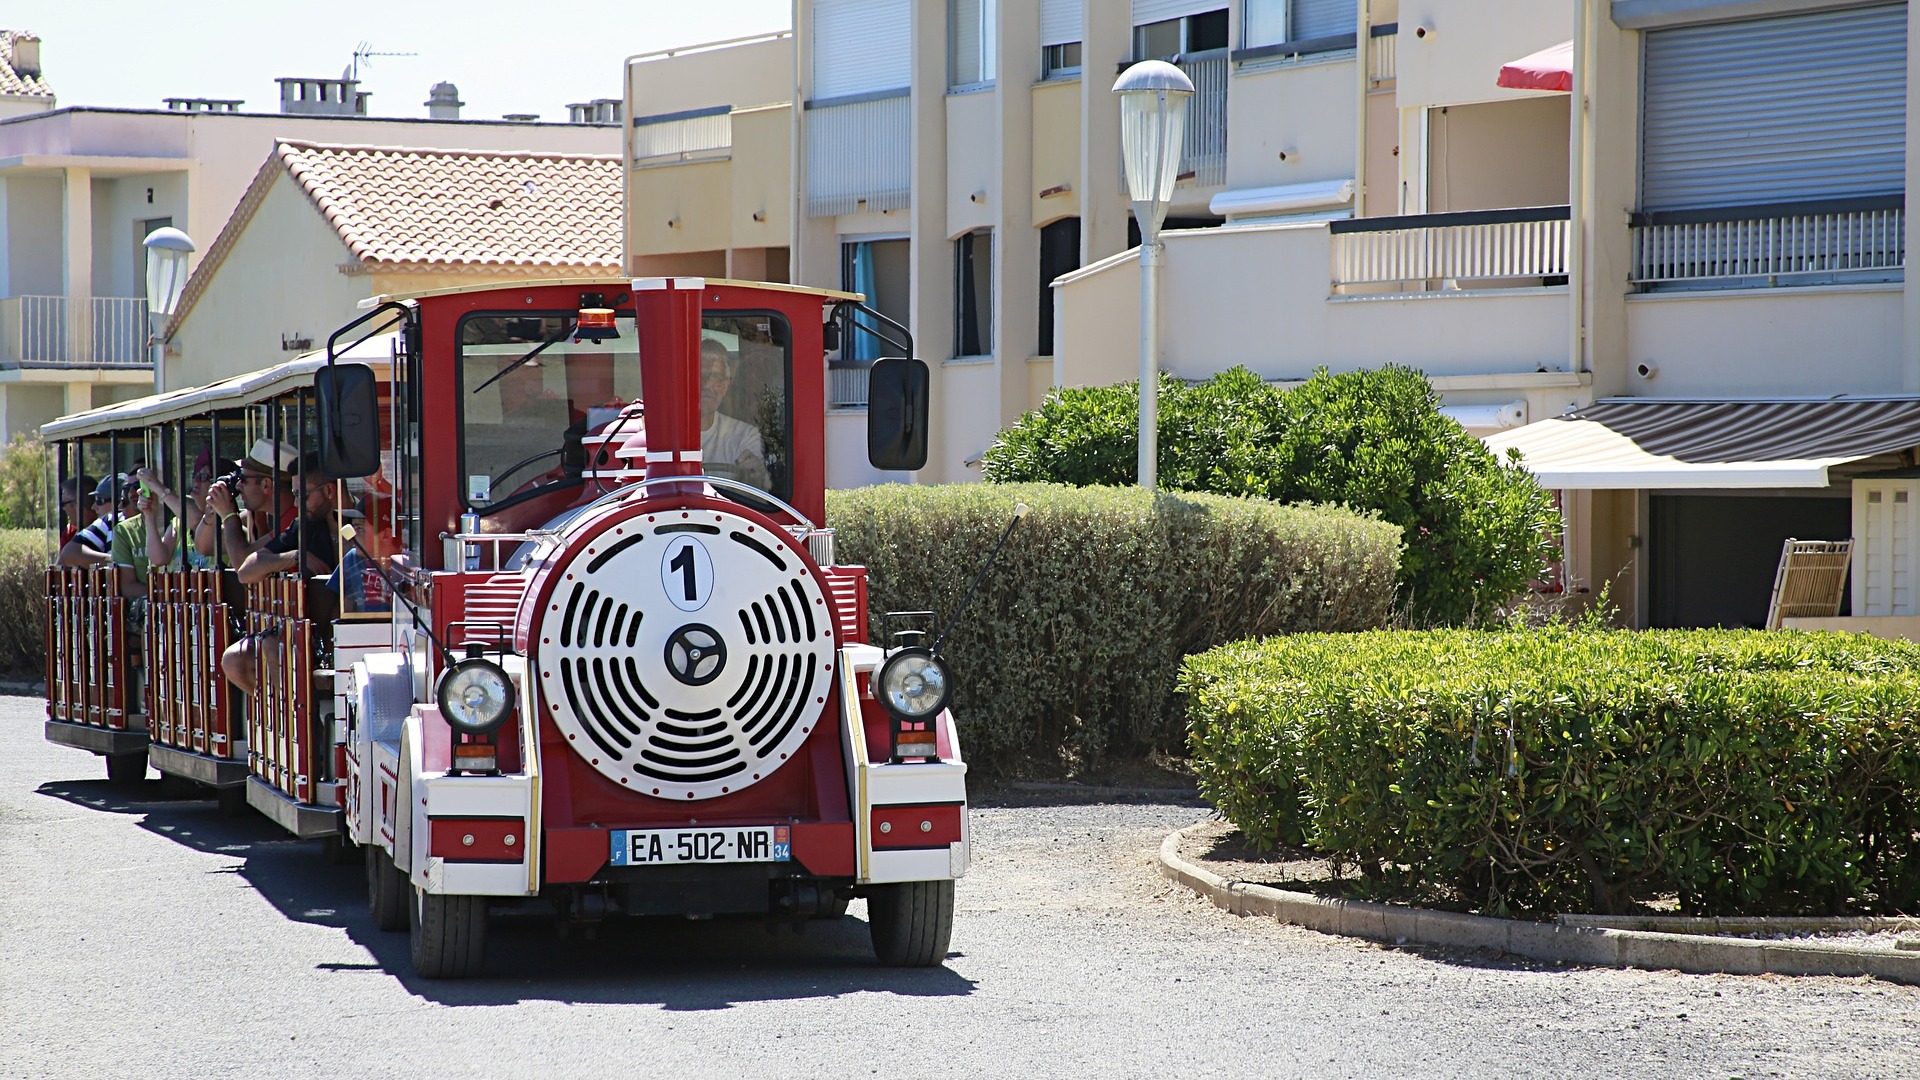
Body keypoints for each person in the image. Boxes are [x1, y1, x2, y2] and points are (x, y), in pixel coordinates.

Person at [222, 456, 339, 693]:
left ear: (329, 491)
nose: (297, 503)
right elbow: (246, 571)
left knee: (273, 646)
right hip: (311, 636)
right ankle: (288, 719)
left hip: (351, 630)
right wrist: (295, 556)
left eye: (302, 495)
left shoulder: (363, 518)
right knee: (240, 657)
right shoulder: (303, 524)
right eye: (294, 494)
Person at [197, 439, 298, 568]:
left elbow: (244, 565)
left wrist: (229, 515)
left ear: (266, 485)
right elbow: (205, 547)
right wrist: (211, 514)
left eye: (243, 480)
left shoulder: (294, 518)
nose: (238, 485)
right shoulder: (261, 515)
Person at [699, 338, 769, 488]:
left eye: (716, 377)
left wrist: (756, 474)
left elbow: (758, 493)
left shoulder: (744, 435)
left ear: (725, 385)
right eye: (701, 376)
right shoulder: (664, 437)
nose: (707, 384)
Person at [57, 475, 121, 568]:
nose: (93, 506)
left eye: (100, 500)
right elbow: (65, 559)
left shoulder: (116, 524)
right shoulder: (70, 533)